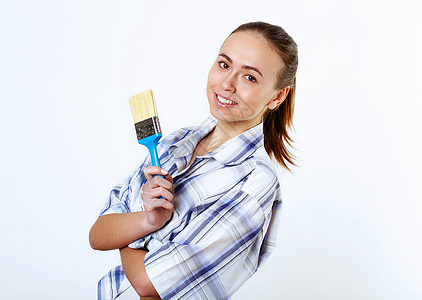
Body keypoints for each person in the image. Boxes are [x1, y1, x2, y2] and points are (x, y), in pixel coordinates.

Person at [89, 21, 298, 300]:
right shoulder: (175, 143)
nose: (227, 84)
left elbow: (149, 284)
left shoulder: (255, 181)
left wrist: (128, 235)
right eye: (224, 65)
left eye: (249, 77)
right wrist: (148, 222)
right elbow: (98, 234)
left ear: (277, 96)